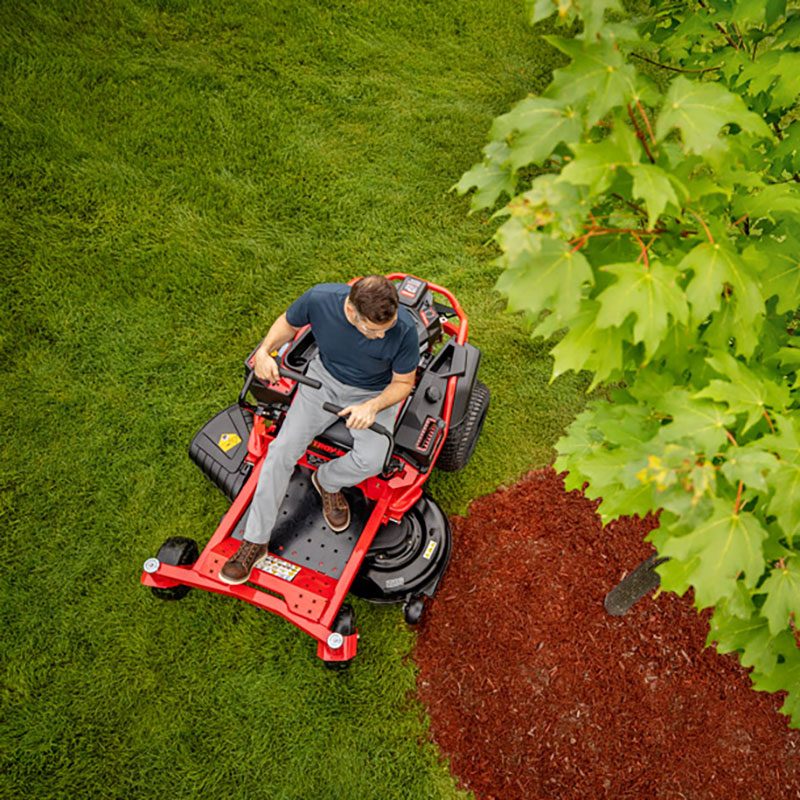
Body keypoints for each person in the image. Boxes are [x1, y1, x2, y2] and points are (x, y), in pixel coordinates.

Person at [219, 275, 420, 585]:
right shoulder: (319, 299)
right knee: (279, 452)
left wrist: (373, 407)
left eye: (386, 329)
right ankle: (255, 542)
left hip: (373, 393)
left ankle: (327, 480)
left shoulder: (403, 329)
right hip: (322, 381)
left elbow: (404, 383)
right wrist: (264, 352)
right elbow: (287, 323)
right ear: (351, 311)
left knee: (373, 459)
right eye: (372, 331)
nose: (381, 337)